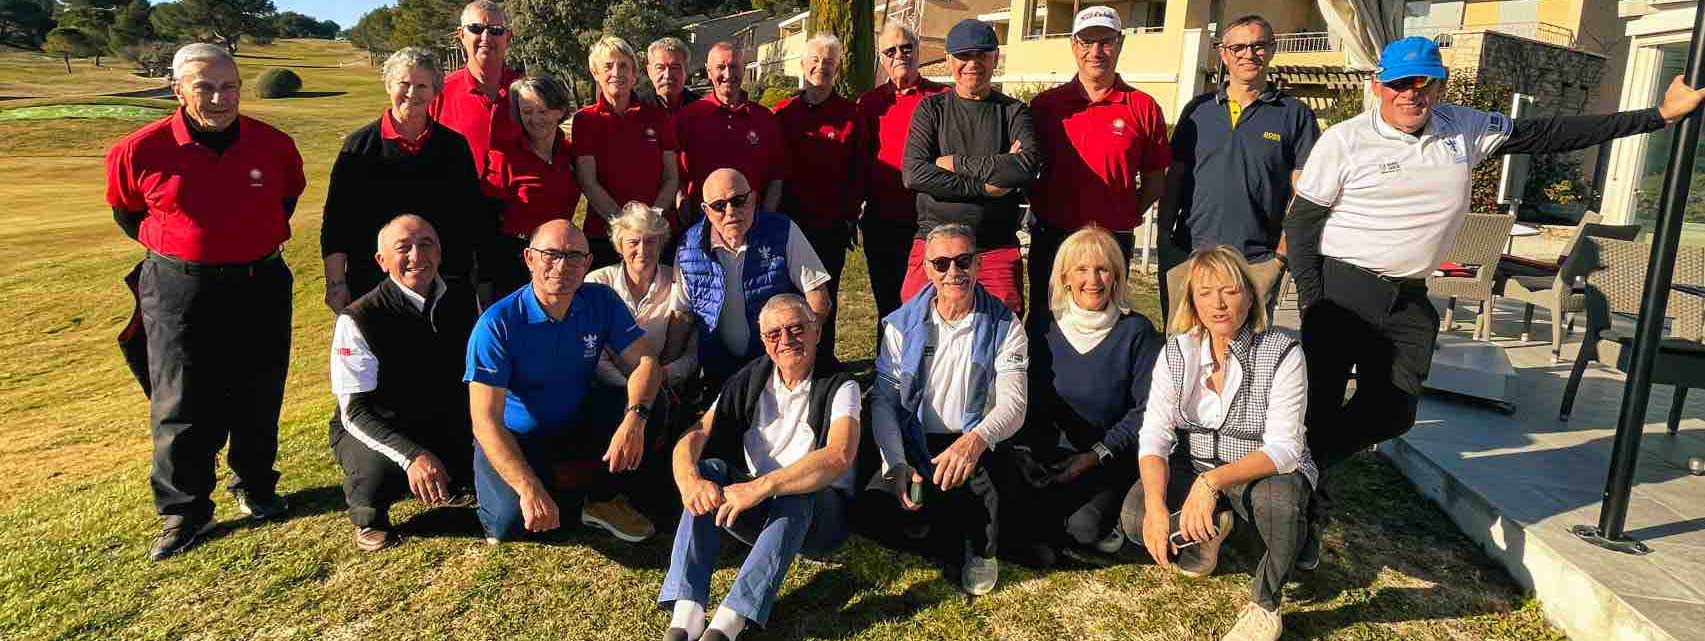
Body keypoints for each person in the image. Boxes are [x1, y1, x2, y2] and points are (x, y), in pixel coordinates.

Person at [1284, 36, 1705, 556]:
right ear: (1378, 86)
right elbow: (1302, 225)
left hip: (1410, 296)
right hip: (1345, 288)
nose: (1411, 93)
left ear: (1438, 86)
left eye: (1423, 82)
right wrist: (1314, 303)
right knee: (1320, 407)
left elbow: (1549, 133)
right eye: (1399, 83)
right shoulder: (1344, 141)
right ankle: (1299, 522)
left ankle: (1302, 469)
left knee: (1393, 412)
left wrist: (1658, 117)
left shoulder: (1462, 128)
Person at [107, 43, 306, 560]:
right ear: (178, 90)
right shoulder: (140, 149)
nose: (220, 98)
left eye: (229, 86)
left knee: (259, 388)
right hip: (179, 287)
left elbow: (285, 200)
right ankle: (185, 509)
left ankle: (256, 484)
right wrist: (190, 249)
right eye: (205, 88)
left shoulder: (274, 145)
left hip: (260, 281)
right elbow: (129, 213)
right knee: (179, 396)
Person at [1121, 245, 1314, 641]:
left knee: (1280, 506)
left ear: (1250, 295)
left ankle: (1266, 604)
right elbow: (1155, 434)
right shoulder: (1178, 350)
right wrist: (1157, 506)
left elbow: (1284, 449)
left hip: (1259, 470)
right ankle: (1210, 533)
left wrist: (1212, 483)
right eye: (1206, 292)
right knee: (1136, 518)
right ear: (1192, 301)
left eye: (1229, 290)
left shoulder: (1283, 351)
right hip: (1195, 463)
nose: (1218, 303)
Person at [658, 295, 859, 641]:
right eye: (774, 334)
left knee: (798, 490)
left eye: (797, 329)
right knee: (707, 471)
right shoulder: (749, 378)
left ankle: (729, 622)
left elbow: (839, 454)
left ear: (816, 331)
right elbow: (696, 433)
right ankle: (686, 614)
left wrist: (763, 486)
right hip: (758, 509)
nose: (786, 340)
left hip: (819, 520)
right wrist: (689, 480)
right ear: (764, 341)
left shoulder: (841, 384)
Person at [465, 220, 663, 544]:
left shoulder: (601, 300)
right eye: (551, 254)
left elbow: (646, 362)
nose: (562, 265)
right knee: (509, 525)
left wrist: (634, 419)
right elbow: (485, 421)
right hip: (517, 436)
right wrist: (528, 486)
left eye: (574, 256)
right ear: (529, 258)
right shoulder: (497, 324)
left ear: (587, 262)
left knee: (651, 402)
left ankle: (601, 499)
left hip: (574, 421)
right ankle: (545, 492)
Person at [871, 223, 1028, 595]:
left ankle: (980, 548)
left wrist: (974, 443)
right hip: (917, 438)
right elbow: (884, 400)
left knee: (990, 495)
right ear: (927, 269)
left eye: (963, 261)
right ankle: (936, 522)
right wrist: (895, 461)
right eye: (941, 264)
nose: (953, 272)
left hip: (977, 438)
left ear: (978, 265)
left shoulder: (1006, 324)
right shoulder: (901, 324)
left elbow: (1014, 404)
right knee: (873, 503)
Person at [328, 215, 478, 551]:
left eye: (426, 244)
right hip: (378, 423)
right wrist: (412, 456)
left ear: (439, 251)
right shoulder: (358, 317)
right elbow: (354, 412)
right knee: (378, 472)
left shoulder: (462, 295)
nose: (417, 255)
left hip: (439, 415)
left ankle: (450, 479)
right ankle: (369, 516)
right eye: (403, 248)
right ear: (382, 261)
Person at [1015, 226, 1162, 565]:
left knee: (1084, 529)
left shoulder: (1137, 331)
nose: (1092, 279)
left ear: (1116, 276)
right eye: (1081, 269)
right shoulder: (1042, 325)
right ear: (1065, 277)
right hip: (1049, 453)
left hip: (1106, 455)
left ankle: (1112, 512)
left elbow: (1146, 411)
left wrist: (1096, 455)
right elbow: (1025, 395)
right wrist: (1026, 452)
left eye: (1103, 269)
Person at [1160, 14, 1317, 317]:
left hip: (1255, 262)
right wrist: (1164, 240)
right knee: (1182, 344)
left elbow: (1304, 194)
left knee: (1245, 346)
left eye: (1258, 46)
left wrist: (1280, 258)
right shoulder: (1198, 111)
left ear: (1271, 49)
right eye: (1238, 47)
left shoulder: (1295, 115)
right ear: (1224, 54)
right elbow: (1174, 178)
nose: (1249, 54)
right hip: (1190, 255)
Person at [1027, 6, 1169, 330]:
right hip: (1054, 235)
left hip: (1112, 240)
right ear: (1073, 45)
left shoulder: (1143, 107)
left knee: (1106, 325)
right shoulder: (1045, 106)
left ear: (1120, 43)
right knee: (1044, 324)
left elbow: (1154, 182)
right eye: (1086, 42)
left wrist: (1121, 212)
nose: (1096, 51)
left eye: (1105, 41)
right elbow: (1026, 171)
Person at [322, 47, 491, 312]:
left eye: (422, 86)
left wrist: (482, 278)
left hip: (447, 282)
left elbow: (471, 215)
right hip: (374, 284)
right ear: (388, 86)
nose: (412, 93)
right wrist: (336, 283)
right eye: (404, 83)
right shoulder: (359, 147)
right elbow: (338, 220)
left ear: (435, 91)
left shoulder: (454, 146)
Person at [901, 19, 1042, 315]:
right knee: (916, 323)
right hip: (934, 241)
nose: (972, 64)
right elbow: (915, 174)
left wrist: (953, 163)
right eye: (963, 56)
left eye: (982, 55)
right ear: (949, 59)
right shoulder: (931, 110)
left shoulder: (1013, 111)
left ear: (995, 58)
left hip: (993, 245)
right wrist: (984, 187)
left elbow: (1025, 167)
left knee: (1002, 326)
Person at [673, 168, 833, 389]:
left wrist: (802, 347)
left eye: (738, 201)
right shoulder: (687, 247)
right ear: (706, 211)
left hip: (779, 368)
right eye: (719, 206)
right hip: (719, 373)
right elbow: (681, 314)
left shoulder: (782, 230)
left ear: (753, 199)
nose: (730, 211)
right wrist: (665, 368)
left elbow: (818, 295)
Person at [775, 32, 864, 368]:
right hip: (788, 226)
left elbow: (859, 171)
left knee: (824, 300)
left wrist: (849, 215)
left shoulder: (851, 115)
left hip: (829, 227)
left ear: (837, 68)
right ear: (803, 64)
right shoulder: (782, 114)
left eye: (829, 62)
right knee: (788, 300)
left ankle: (823, 361)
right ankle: (789, 363)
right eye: (815, 60)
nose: (821, 67)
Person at [585, 203, 699, 453]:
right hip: (608, 391)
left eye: (650, 241)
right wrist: (633, 387)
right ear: (619, 245)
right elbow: (593, 352)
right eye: (633, 242)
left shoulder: (678, 282)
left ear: (661, 244)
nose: (642, 250)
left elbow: (692, 353)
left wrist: (659, 379)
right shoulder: (597, 283)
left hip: (665, 392)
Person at [856, 21, 948, 325]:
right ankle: (888, 356)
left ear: (918, 51)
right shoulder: (870, 104)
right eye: (891, 50)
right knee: (889, 306)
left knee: (930, 305)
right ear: (881, 58)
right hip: (883, 221)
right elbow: (860, 160)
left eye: (907, 48)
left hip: (931, 222)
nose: (900, 55)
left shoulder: (942, 97)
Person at [574, 36, 680, 262]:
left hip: (654, 233)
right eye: (608, 66)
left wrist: (652, 219)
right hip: (605, 233)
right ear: (595, 73)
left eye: (623, 66)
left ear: (634, 73)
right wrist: (624, 225)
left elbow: (671, 176)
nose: (616, 73)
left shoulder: (657, 116)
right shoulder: (585, 120)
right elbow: (587, 181)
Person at [483, 75, 583, 294]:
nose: (535, 119)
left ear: (559, 111)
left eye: (542, 111)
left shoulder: (569, 153)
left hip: (562, 258)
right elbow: (487, 219)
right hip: (516, 262)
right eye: (527, 112)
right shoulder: (504, 156)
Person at [674, 42, 787, 217]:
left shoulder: (765, 118)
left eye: (734, 66)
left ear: (743, 69)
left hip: (753, 221)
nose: (728, 74)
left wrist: (765, 219)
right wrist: (685, 217)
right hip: (703, 221)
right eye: (720, 67)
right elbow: (677, 177)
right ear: (708, 71)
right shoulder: (688, 117)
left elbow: (776, 176)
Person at [431, 0, 522, 176]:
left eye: (496, 30)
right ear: (461, 35)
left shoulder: (528, 92)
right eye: (476, 28)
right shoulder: (438, 92)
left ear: (508, 37)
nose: (486, 37)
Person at [646, 37, 701, 116]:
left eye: (675, 67)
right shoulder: (636, 109)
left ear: (686, 70)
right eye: (660, 68)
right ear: (649, 71)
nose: (667, 75)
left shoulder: (702, 109)